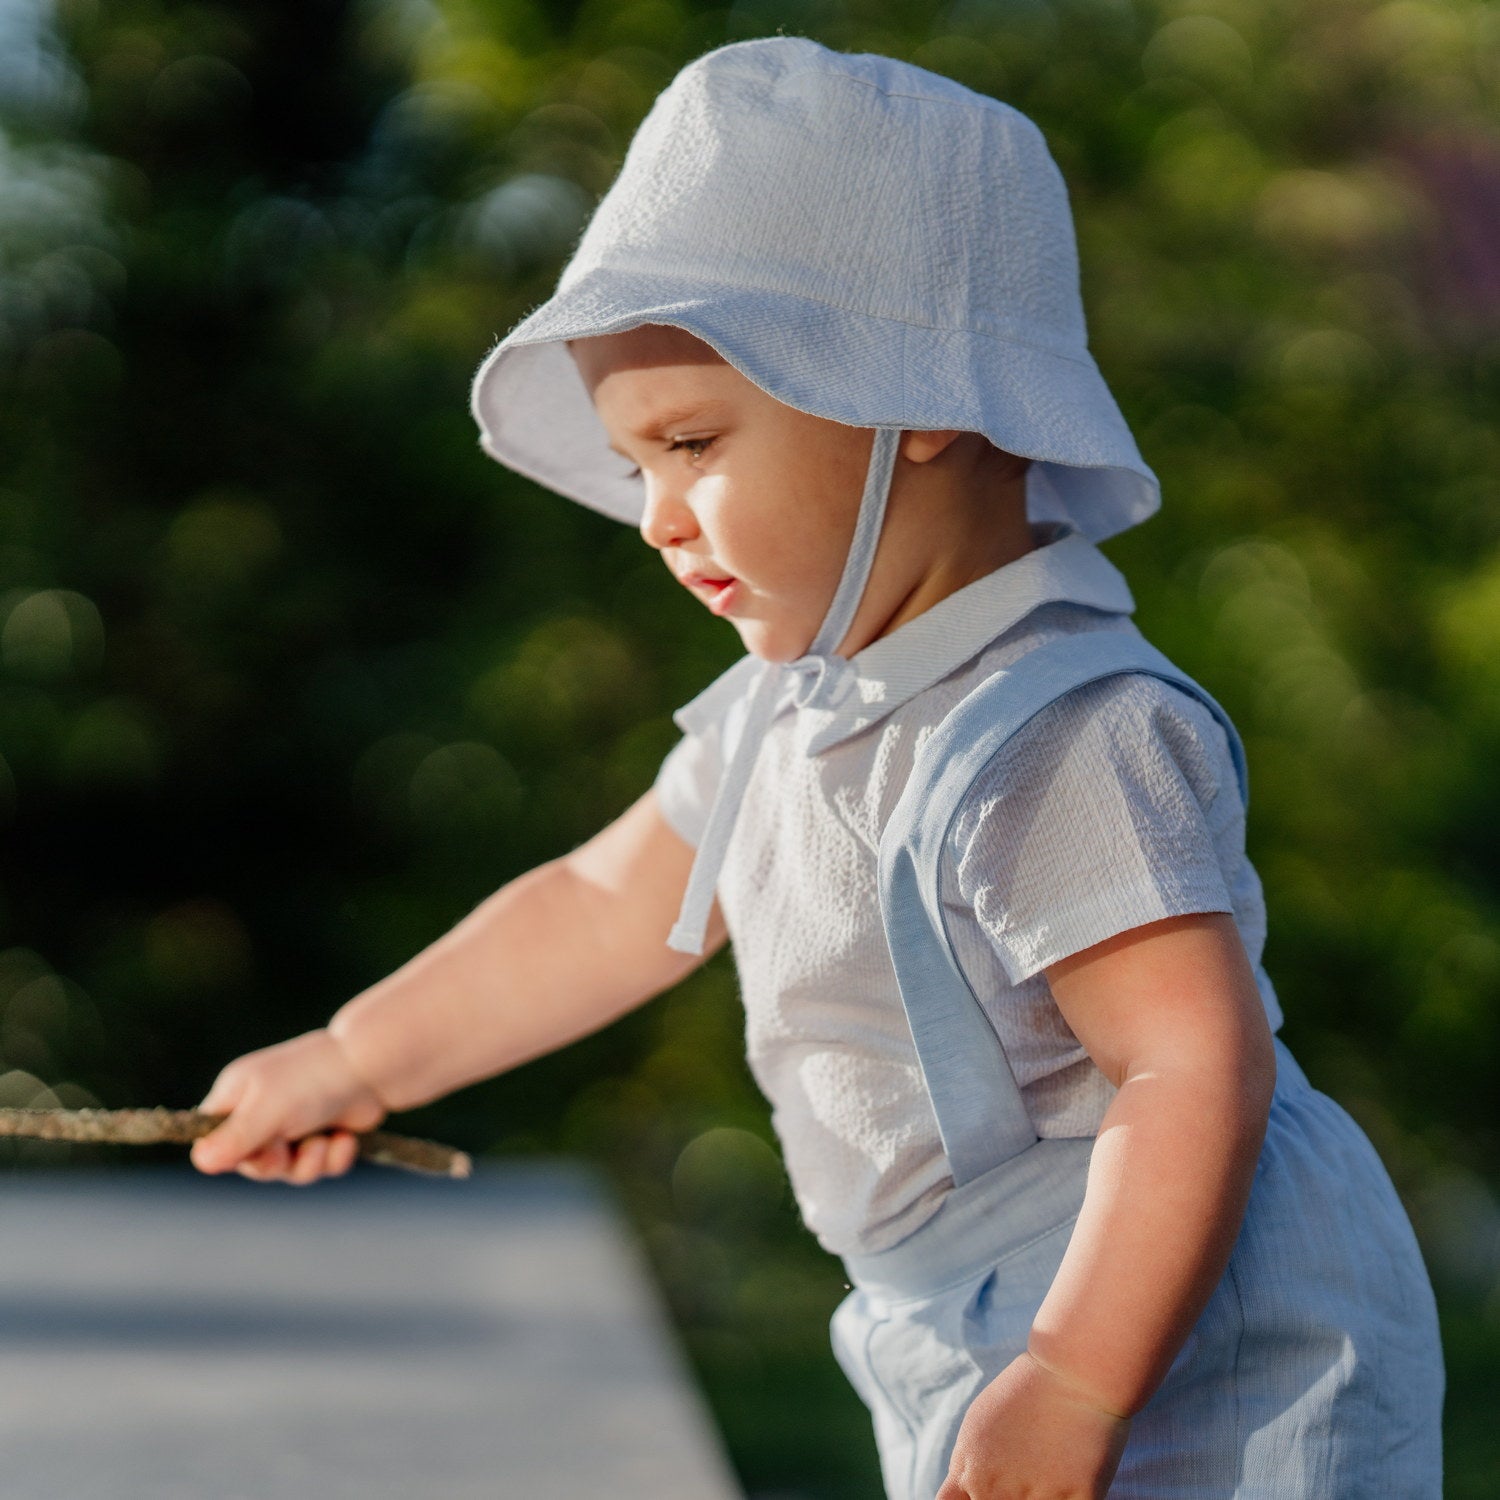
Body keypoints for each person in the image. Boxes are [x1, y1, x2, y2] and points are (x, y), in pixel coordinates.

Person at [189, 35, 1445, 1499]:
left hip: (1178, 1317)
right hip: (961, 1307)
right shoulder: (783, 712)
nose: (656, 517)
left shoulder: (1056, 729)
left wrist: (1076, 1380)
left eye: (691, 442)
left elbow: (1190, 1065)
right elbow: (600, 909)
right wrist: (356, 1059)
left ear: (919, 397)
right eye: (637, 465)